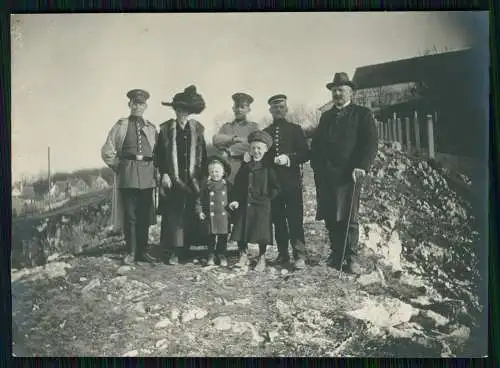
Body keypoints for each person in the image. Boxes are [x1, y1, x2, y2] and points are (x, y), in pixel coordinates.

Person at [311, 72, 378, 272]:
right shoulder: (326, 116)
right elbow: (316, 145)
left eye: (341, 90)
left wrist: (362, 166)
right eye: (334, 90)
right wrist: (316, 166)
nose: (337, 93)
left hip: (349, 174)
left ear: (351, 92)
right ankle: (336, 254)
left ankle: (351, 258)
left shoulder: (362, 114)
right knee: (331, 215)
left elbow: (370, 143)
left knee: (350, 216)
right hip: (326, 175)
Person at [101, 89, 158, 265]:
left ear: (145, 106)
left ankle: (143, 251)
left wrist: (157, 172)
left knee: (145, 215)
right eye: (135, 103)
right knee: (131, 216)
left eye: (141, 104)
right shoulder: (120, 126)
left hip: (147, 173)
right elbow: (107, 151)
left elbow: (157, 152)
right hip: (128, 174)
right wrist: (119, 165)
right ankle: (131, 252)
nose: (138, 107)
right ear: (129, 104)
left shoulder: (151, 128)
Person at [154, 85, 208, 265]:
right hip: (174, 179)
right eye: (178, 109)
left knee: (192, 213)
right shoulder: (166, 130)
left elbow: (204, 154)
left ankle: (189, 250)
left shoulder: (197, 130)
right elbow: (159, 155)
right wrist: (164, 175)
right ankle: (174, 252)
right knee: (174, 216)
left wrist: (203, 178)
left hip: (193, 178)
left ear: (189, 112)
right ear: (174, 110)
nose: (181, 113)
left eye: (185, 110)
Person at [263, 94, 310, 269]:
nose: (278, 110)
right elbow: (263, 157)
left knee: (295, 219)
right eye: (275, 108)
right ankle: (283, 254)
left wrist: (289, 158)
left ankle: (300, 255)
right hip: (273, 184)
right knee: (278, 220)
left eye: (281, 107)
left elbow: (306, 153)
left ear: (287, 109)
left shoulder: (295, 129)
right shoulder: (265, 132)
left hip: (292, 183)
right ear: (270, 110)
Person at [229, 130, 280, 271]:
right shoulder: (245, 166)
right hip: (246, 203)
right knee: (241, 230)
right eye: (253, 148)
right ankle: (243, 255)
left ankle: (261, 258)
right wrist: (236, 200)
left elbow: (276, 186)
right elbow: (238, 185)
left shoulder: (268, 167)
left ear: (265, 150)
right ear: (249, 150)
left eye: (259, 148)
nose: (256, 151)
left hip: (262, 205)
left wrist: (268, 199)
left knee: (261, 233)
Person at [212, 93, 259, 183]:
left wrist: (230, 149)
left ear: (248, 110)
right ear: (233, 108)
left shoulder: (254, 127)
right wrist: (235, 139)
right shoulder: (226, 127)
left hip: (248, 169)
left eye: (242, 107)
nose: (239, 110)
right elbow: (216, 140)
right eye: (237, 107)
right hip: (229, 171)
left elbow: (254, 146)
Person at [195, 155, 232, 267]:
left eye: (217, 171)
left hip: (223, 216)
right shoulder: (206, 185)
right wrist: (199, 211)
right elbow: (199, 200)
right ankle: (210, 254)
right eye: (211, 171)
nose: (214, 173)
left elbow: (232, 198)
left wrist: (233, 207)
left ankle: (221, 255)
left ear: (223, 172)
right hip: (210, 216)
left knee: (222, 237)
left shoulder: (227, 185)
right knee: (210, 237)